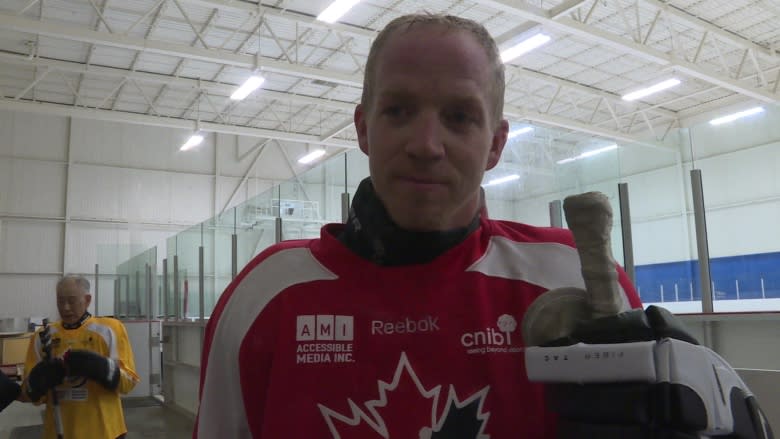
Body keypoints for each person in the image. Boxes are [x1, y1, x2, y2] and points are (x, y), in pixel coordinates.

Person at [194, 13, 772, 439]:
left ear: (495, 145)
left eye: (460, 116)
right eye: (398, 110)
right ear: (363, 128)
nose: (426, 145)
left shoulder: (573, 283)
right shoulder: (264, 297)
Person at [23, 275, 139, 439]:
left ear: (87, 300)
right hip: (57, 432)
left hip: (105, 432)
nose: (66, 307)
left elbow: (129, 383)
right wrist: (38, 382)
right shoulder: (43, 337)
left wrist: (103, 368)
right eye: (60, 301)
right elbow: (29, 394)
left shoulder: (110, 330)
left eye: (72, 300)